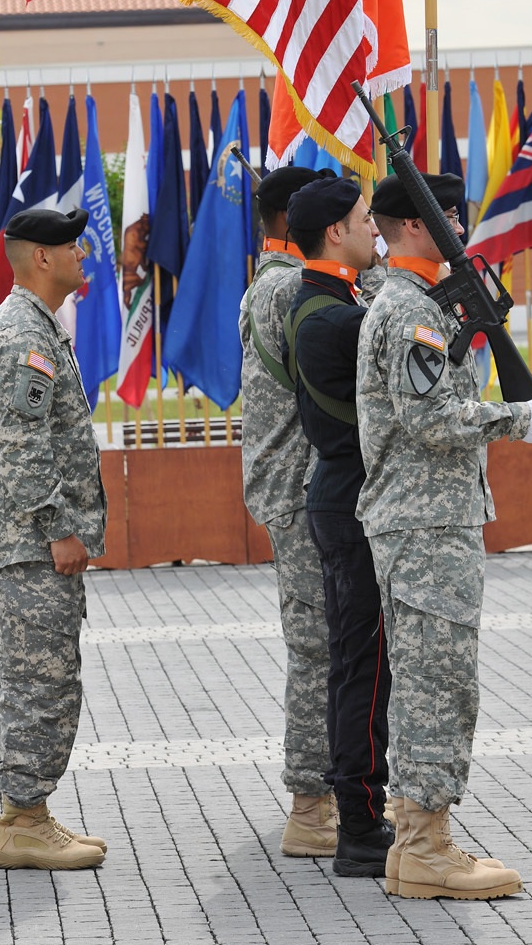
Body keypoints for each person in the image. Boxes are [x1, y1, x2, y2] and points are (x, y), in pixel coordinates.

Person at [356, 173, 532, 901]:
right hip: (423, 525)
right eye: (448, 220)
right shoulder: (406, 310)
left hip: (429, 522)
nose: (460, 233)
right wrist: (515, 417)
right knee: (438, 689)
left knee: (431, 686)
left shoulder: (413, 302)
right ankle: (425, 847)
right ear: (416, 227)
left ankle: (420, 840)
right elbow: (432, 419)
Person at [0, 206, 108, 871]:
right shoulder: (24, 336)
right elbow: (23, 455)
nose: (83, 253)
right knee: (36, 682)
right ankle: (20, 821)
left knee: (48, 680)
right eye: (72, 246)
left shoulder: (38, 328)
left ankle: (31, 814)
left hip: (31, 544)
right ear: (40, 258)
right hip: (29, 545)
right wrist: (59, 530)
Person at [283, 172, 394, 879]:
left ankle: (362, 813)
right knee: (365, 667)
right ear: (334, 233)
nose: (373, 230)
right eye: (363, 219)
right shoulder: (331, 318)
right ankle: (359, 821)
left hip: (344, 496)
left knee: (361, 663)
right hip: (351, 499)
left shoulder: (335, 303)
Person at [237, 164, 337, 857]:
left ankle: (328, 792)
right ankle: (309, 805)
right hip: (299, 490)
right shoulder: (286, 290)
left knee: (328, 641)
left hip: (299, 486)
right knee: (319, 647)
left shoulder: (273, 285)